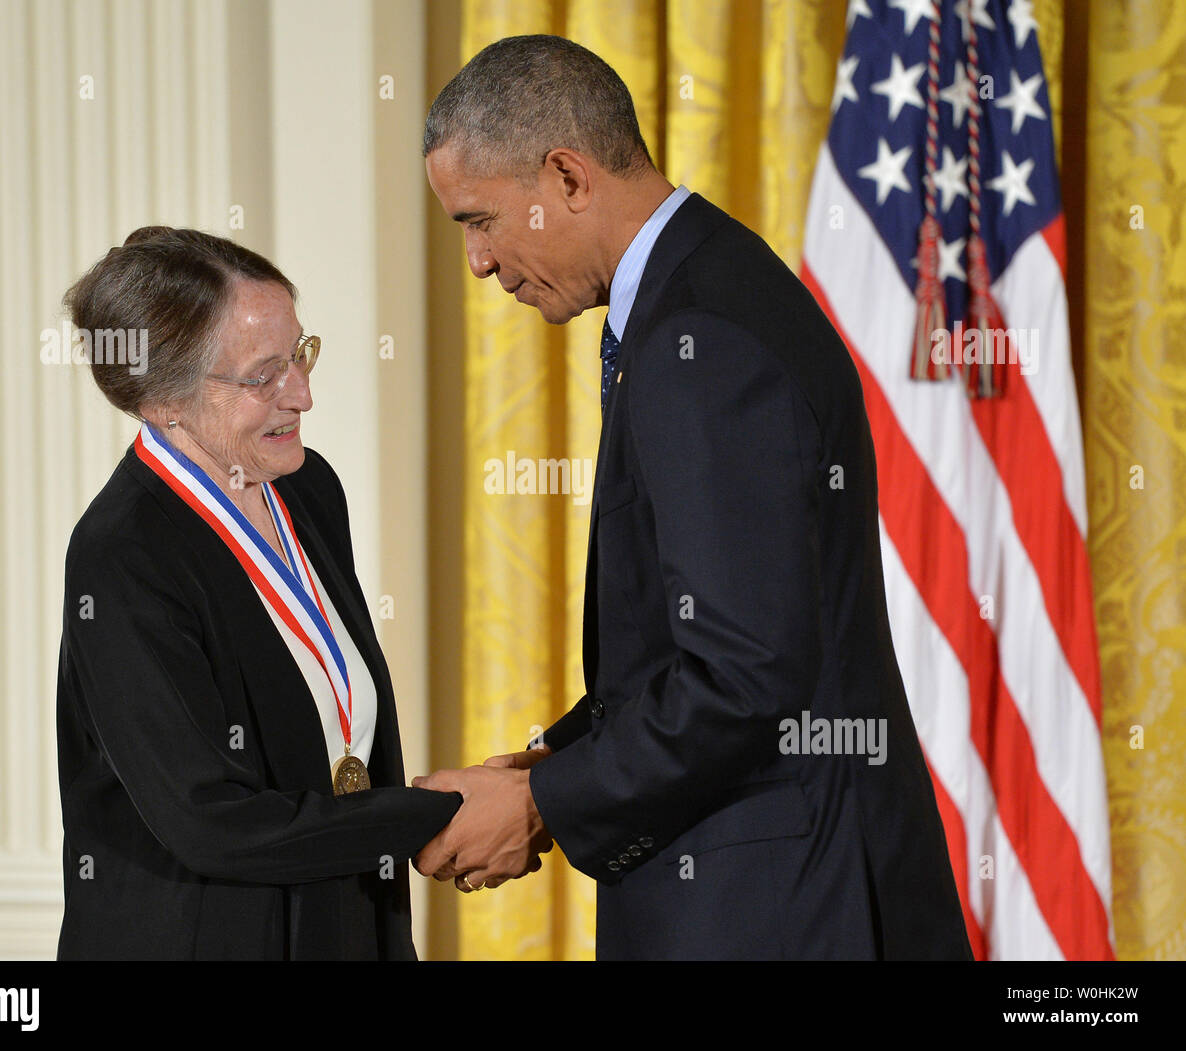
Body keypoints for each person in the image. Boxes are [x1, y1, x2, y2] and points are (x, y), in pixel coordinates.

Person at [413, 35, 974, 961]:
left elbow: (744, 675)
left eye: (480, 220)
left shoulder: (699, 334)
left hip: (781, 911)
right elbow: (714, 642)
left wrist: (545, 803)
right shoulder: (704, 287)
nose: (478, 262)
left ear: (567, 177)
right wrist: (551, 768)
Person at [55, 226, 459, 960]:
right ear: (162, 402)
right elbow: (210, 819)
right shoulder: (122, 556)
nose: (300, 392)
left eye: (300, 354)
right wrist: (427, 819)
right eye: (262, 374)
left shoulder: (308, 487)